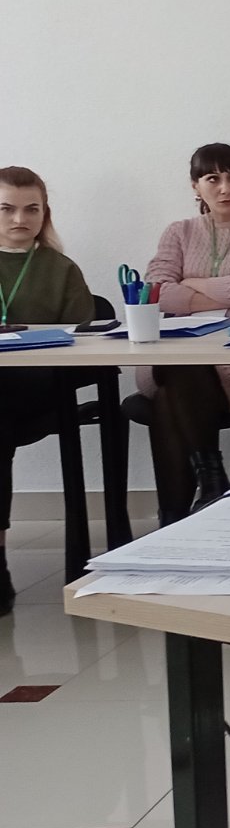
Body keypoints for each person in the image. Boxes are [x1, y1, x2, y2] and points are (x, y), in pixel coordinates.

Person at [137, 144, 230, 523]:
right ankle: (212, 477)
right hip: (176, 353)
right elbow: (155, 291)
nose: (225, 188)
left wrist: (190, 286)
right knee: (181, 366)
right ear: (196, 187)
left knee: (172, 388)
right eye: (212, 179)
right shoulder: (179, 232)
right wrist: (223, 295)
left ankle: (173, 520)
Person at [0, 167, 94, 616]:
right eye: (6, 209)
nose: (20, 219)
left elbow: (85, 341)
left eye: (31, 209)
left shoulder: (61, 269)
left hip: (40, 388)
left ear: (45, 213)